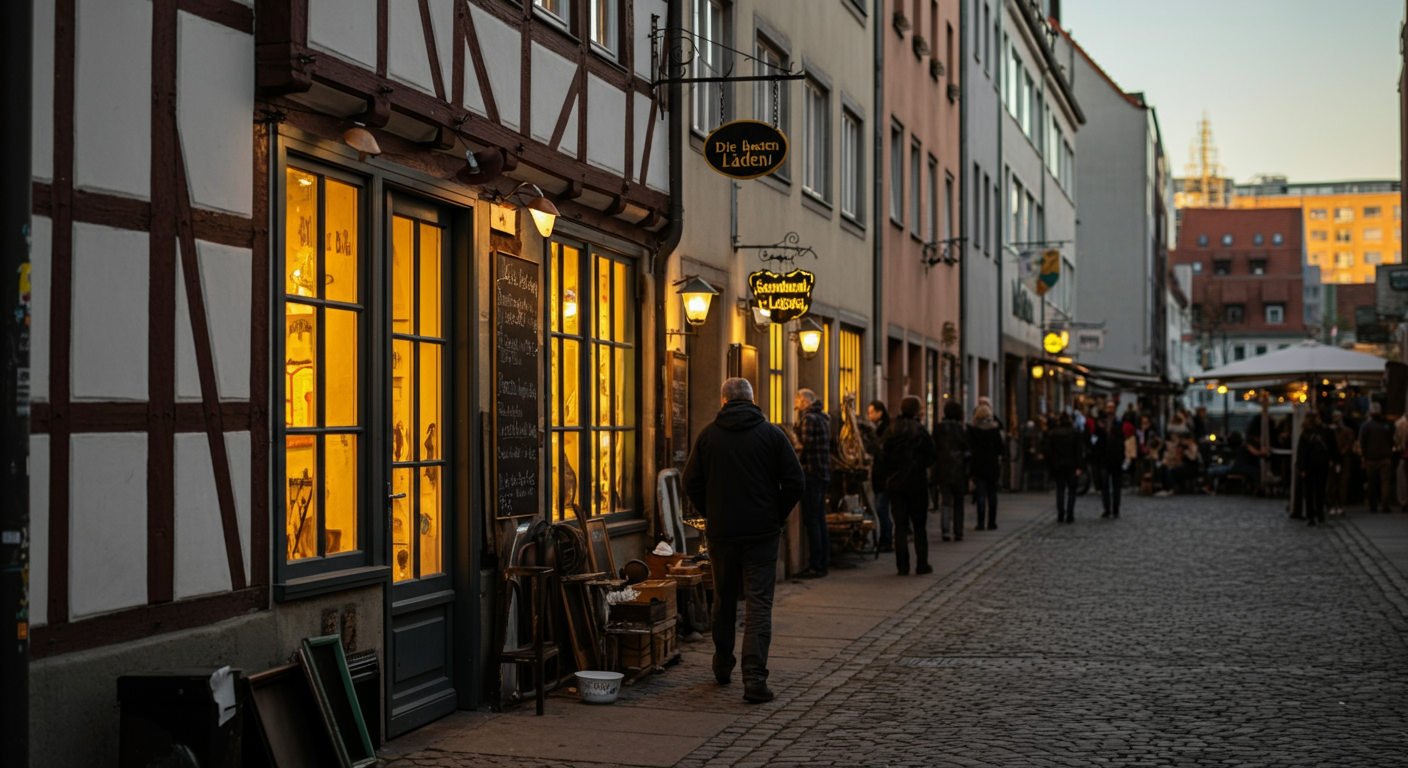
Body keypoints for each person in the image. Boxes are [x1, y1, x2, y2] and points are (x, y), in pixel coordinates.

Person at [683, 378, 805, 703]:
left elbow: (690, 480)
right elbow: (796, 481)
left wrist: (712, 511)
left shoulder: (709, 435)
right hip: (762, 533)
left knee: (724, 600)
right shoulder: (772, 434)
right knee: (758, 605)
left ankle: (723, 665)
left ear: (724, 401)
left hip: (723, 533)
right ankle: (754, 679)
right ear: (752, 400)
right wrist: (775, 515)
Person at [883, 396, 936, 575]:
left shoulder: (892, 429)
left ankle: (902, 565)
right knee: (919, 525)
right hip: (916, 482)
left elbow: (883, 455)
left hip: (896, 483)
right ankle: (922, 564)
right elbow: (931, 454)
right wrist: (919, 465)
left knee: (900, 526)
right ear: (917, 411)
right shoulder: (919, 430)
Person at [793, 389, 832, 576]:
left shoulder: (808, 418)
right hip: (823, 474)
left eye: (797, 401)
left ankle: (815, 564)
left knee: (812, 521)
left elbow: (804, 446)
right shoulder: (823, 417)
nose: (796, 405)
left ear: (804, 401)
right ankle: (823, 562)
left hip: (811, 474)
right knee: (820, 519)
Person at [931, 401, 971, 541]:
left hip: (942, 469)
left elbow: (933, 448)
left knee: (946, 501)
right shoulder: (960, 429)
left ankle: (945, 530)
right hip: (958, 469)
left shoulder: (938, 428)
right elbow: (967, 448)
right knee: (958, 501)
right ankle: (958, 531)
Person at [1297, 410, 1341, 527]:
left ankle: (1311, 515)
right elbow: (1333, 447)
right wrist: (1336, 461)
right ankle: (1320, 513)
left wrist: (1301, 467)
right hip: (1322, 463)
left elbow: (1301, 452)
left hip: (1309, 465)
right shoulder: (1325, 431)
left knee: (1309, 491)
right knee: (1320, 490)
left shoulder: (1306, 433)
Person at [862, 400, 894, 551]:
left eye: (871, 412)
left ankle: (886, 540)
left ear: (879, 412)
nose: (869, 416)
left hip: (884, 475)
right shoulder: (880, 428)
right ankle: (885, 539)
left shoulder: (885, 429)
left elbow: (881, 452)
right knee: (881, 508)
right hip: (881, 475)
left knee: (882, 508)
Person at [1043, 412, 1084, 523]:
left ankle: (1060, 514)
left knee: (1060, 490)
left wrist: (1051, 464)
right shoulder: (1074, 433)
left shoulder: (1053, 433)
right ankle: (1070, 514)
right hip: (1072, 465)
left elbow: (1049, 451)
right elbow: (1078, 451)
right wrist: (1079, 466)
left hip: (1058, 465)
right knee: (1071, 491)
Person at [968, 404, 1004, 530]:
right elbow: (1001, 448)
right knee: (992, 494)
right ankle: (992, 522)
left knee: (981, 495)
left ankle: (980, 522)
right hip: (992, 464)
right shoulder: (994, 429)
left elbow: (970, 447)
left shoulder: (973, 430)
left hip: (978, 464)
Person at [1359, 402, 1395, 513]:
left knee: (1372, 482)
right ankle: (1385, 504)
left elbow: (1362, 441)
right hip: (1385, 456)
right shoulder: (1387, 425)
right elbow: (1391, 440)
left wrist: (1364, 455)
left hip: (1371, 457)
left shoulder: (1366, 426)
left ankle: (1373, 504)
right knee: (1385, 482)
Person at [1094, 413, 1128, 518]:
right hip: (1106, 461)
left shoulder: (1117, 431)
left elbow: (1121, 445)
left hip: (1114, 461)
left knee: (1114, 486)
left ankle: (1114, 509)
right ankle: (1108, 508)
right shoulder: (1101, 432)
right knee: (1106, 485)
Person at [1330, 411, 1356, 515]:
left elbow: (1349, 444)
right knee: (1333, 483)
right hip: (1335, 458)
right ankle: (1332, 504)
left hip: (1343, 458)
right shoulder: (1331, 431)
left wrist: (1342, 453)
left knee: (1342, 483)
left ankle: (1340, 504)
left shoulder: (1347, 431)